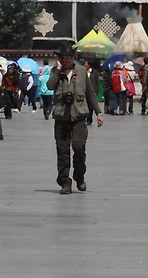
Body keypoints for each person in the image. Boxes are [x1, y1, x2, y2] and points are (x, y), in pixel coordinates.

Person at [47, 45, 104, 194]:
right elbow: (50, 86)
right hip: (61, 117)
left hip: (78, 116)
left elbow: (90, 94)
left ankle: (79, 176)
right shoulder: (55, 71)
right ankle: (64, 181)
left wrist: (98, 113)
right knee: (62, 150)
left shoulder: (82, 71)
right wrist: (58, 71)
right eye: (64, 57)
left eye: (70, 57)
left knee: (79, 147)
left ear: (74, 57)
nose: (67, 60)